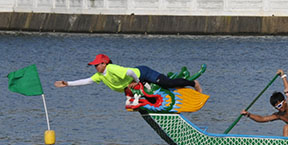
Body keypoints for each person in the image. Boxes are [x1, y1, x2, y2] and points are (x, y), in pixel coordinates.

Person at [54, 54, 202, 106]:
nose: (95, 67)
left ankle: (193, 83)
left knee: (167, 83)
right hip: (135, 83)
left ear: (104, 63)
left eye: (97, 64)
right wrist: (68, 83)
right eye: (94, 65)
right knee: (140, 95)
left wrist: (138, 82)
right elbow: (86, 81)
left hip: (143, 73)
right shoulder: (100, 75)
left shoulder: (112, 68)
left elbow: (130, 71)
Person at [242, 74, 288, 138]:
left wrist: (283, 76)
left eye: (280, 105)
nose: (279, 108)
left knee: (287, 127)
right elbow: (262, 119)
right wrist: (249, 115)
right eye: (277, 107)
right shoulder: (279, 115)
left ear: (285, 101)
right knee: (287, 128)